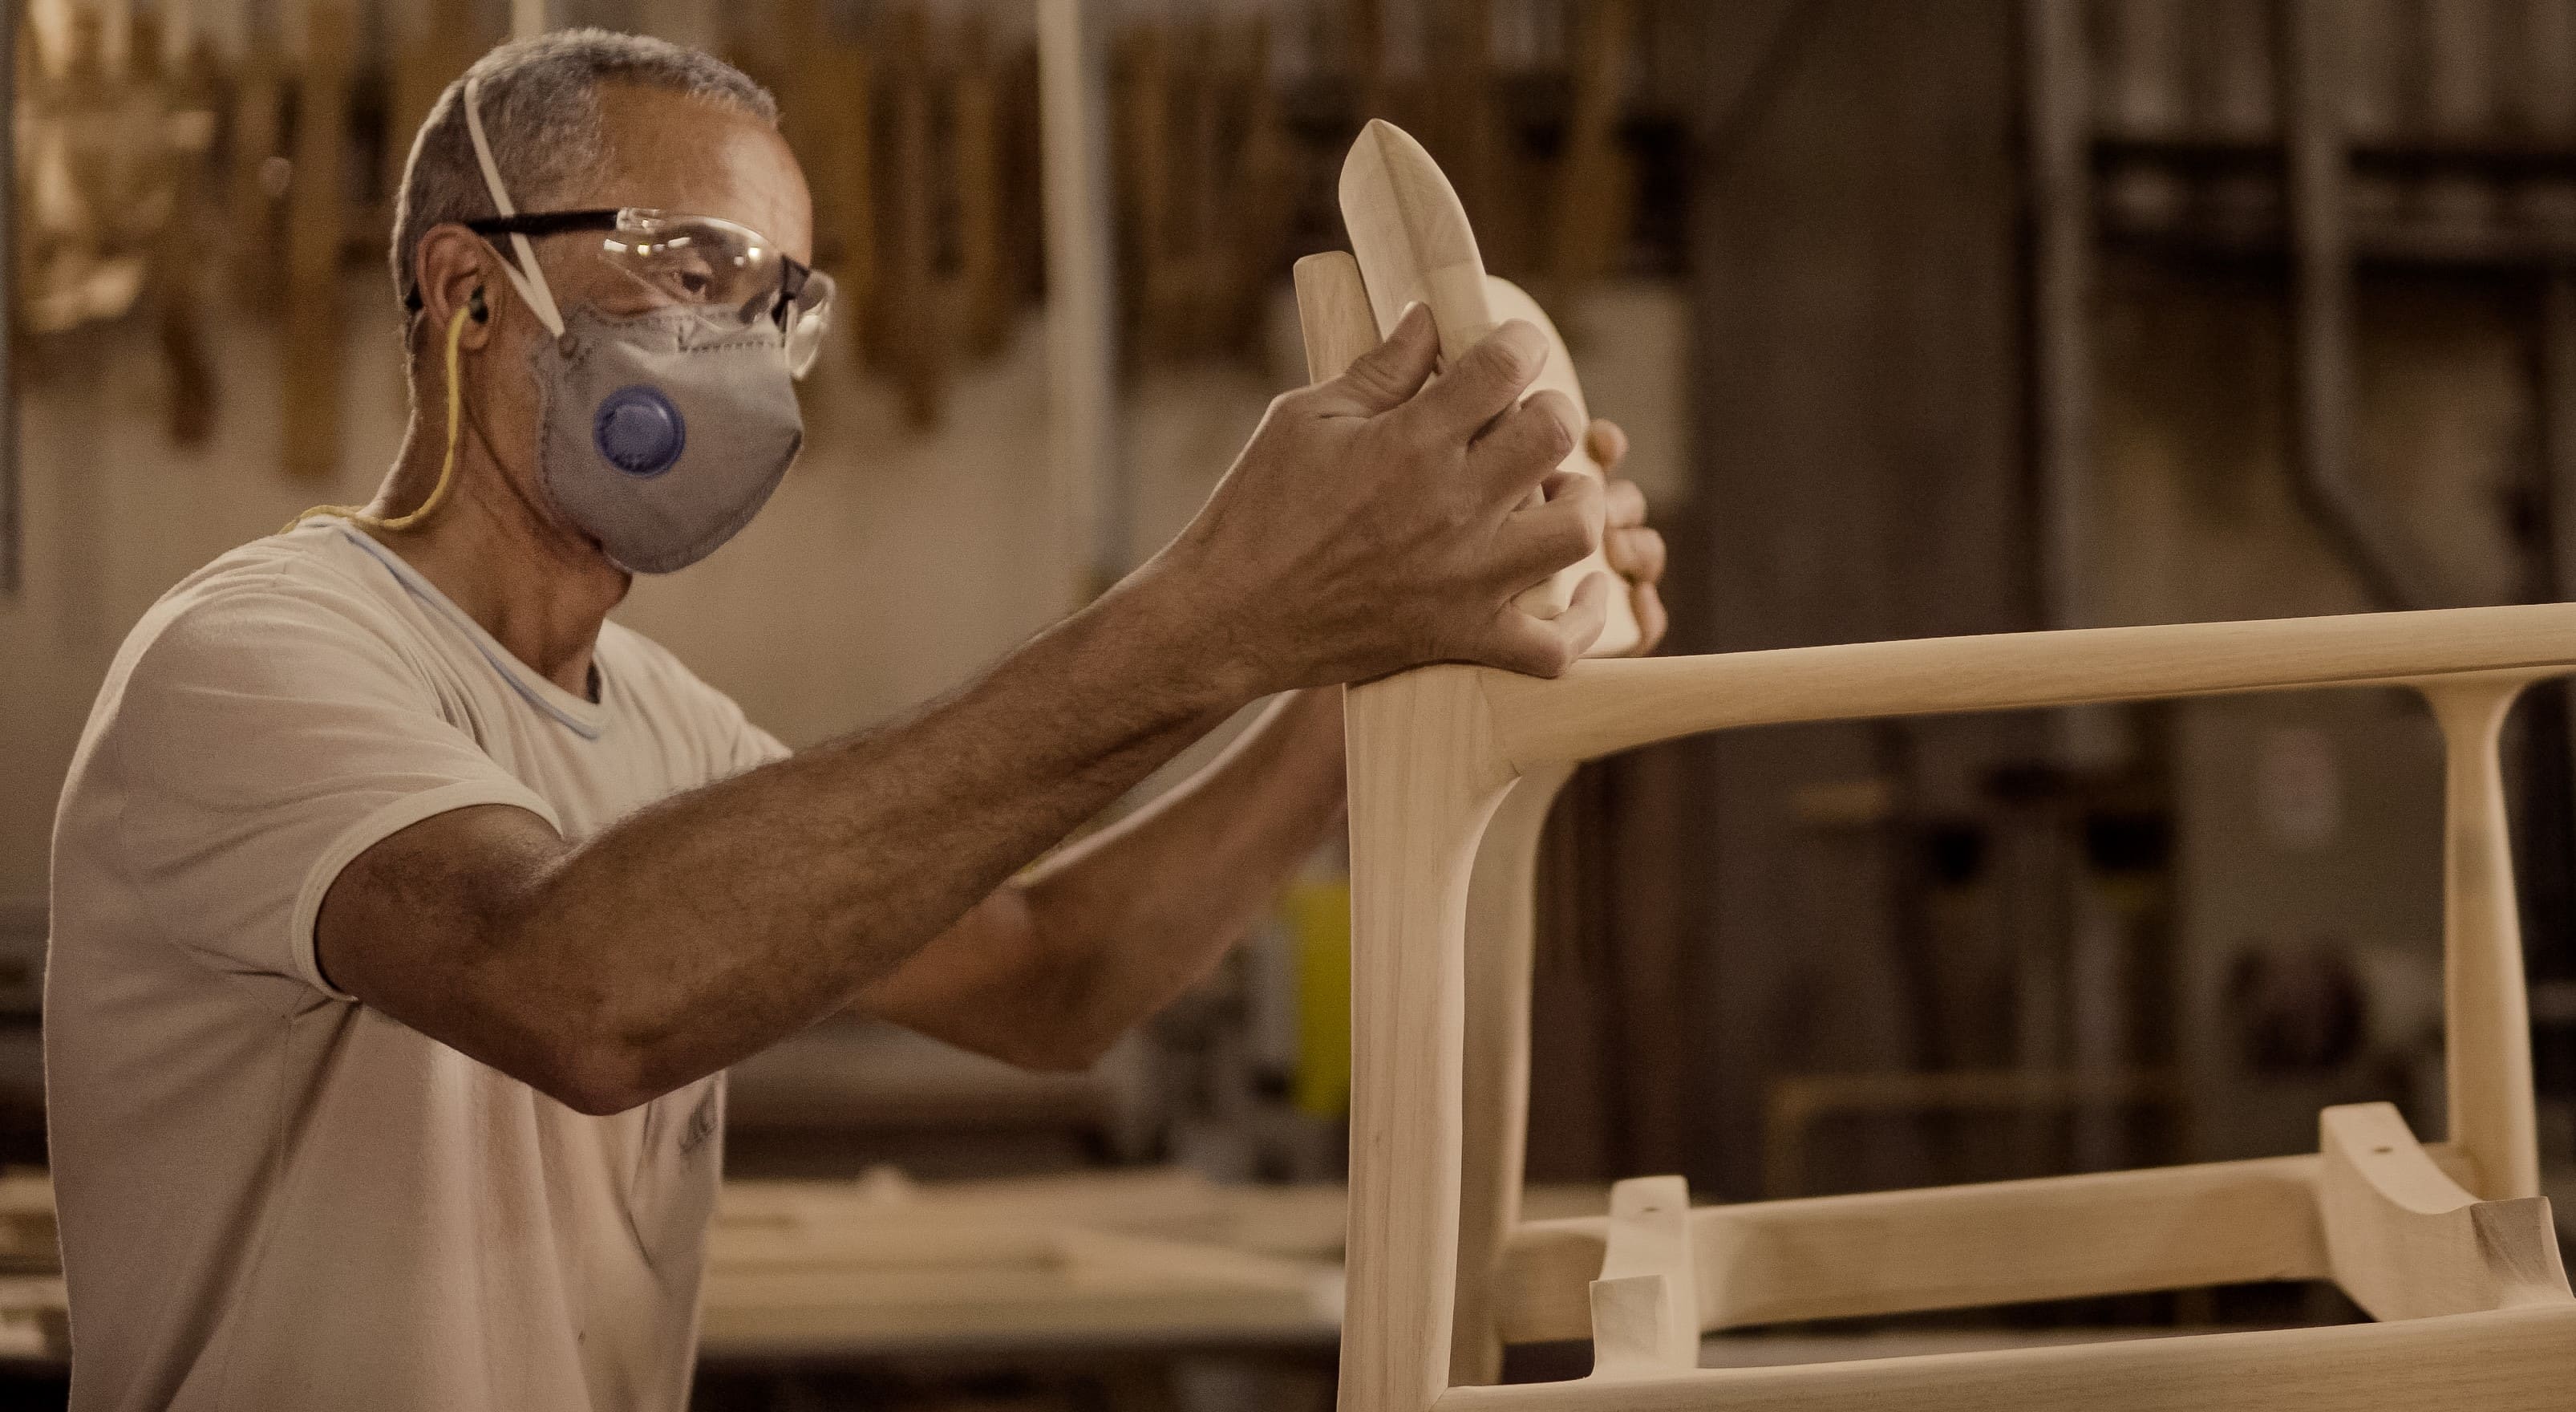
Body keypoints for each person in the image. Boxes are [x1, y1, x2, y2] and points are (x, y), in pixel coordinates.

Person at [43, 29, 1668, 1412]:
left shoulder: (663, 722)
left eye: (778, 302)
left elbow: (1049, 973)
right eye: (695, 269)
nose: (748, 347)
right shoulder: (256, 652)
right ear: (471, 291)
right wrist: (1223, 603)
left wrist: (1359, 667)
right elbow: (580, 987)